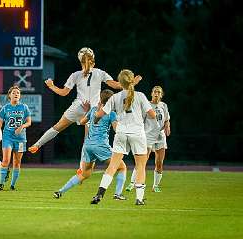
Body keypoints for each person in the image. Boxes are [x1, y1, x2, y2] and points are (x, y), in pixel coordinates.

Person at [28, 47, 124, 154]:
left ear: (80, 61)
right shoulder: (100, 73)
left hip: (78, 107)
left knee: (57, 127)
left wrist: (51, 86)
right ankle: (83, 167)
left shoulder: (75, 75)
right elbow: (116, 85)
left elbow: (64, 93)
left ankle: (37, 144)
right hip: (94, 110)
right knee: (88, 140)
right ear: (93, 61)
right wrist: (130, 83)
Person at [90, 69, 157, 206]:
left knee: (113, 166)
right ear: (131, 80)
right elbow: (152, 115)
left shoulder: (115, 97)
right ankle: (139, 199)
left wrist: (95, 119)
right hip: (137, 133)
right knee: (140, 166)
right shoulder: (140, 95)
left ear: (119, 83)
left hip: (121, 133)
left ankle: (99, 194)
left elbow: (100, 113)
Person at [53, 90, 127, 200]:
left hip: (88, 146)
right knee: (122, 167)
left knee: (85, 173)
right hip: (100, 145)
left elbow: (82, 122)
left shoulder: (93, 110)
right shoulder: (111, 113)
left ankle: (60, 191)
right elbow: (117, 129)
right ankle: (117, 194)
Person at [125, 86, 171, 193]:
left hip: (160, 136)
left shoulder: (164, 105)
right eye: (155, 91)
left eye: (159, 92)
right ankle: (132, 183)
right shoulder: (147, 105)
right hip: (148, 136)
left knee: (159, 162)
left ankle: (155, 185)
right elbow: (140, 120)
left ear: (161, 94)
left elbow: (167, 119)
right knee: (142, 161)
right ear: (151, 93)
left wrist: (168, 125)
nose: (156, 93)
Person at [0, 86, 32, 191]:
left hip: (20, 139)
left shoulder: (24, 107)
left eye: (18, 93)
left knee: (17, 162)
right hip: (8, 137)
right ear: (9, 95)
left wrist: (22, 126)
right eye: (14, 93)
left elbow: (29, 122)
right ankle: (1, 183)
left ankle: (12, 185)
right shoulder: (5, 108)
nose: (16, 94)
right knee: (6, 160)